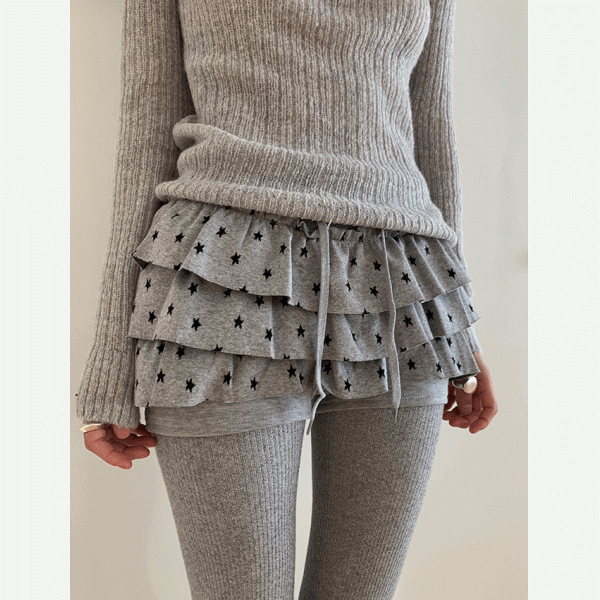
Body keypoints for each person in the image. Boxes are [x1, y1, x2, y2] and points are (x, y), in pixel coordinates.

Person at [76, 0, 498, 597]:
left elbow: (433, 135)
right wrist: (111, 367)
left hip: (399, 290)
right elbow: (145, 137)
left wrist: (456, 326)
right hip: (221, 282)